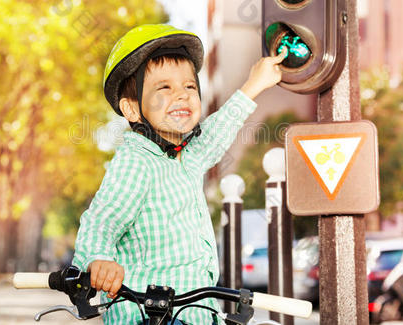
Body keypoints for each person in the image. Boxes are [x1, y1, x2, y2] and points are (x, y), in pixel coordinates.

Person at [72, 24, 285, 324]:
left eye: (189, 86)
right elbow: (101, 223)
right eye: (164, 88)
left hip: (196, 315)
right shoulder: (137, 162)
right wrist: (99, 261)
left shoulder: (184, 158)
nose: (182, 96)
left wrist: (254, 84)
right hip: (149, 317)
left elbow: (215, 134)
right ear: (132, 109)